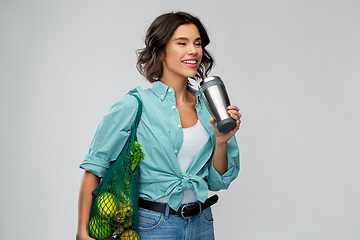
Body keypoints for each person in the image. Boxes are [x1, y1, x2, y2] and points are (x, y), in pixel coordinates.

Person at [76, 11, 242, 240]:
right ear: (161, 51)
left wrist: (221, 141)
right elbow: (95, 166)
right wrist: (82, 231)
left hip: (202, 223)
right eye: (182, 43)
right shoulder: (135, 104)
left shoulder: (209, 106)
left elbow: (218, 182)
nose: (193, 50)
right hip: (153, 226)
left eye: (197, 43)